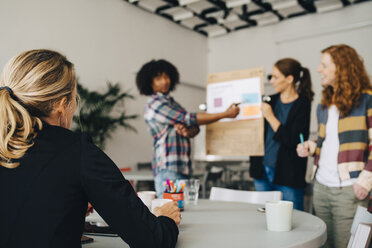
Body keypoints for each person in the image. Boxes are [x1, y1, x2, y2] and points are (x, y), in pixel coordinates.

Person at [0, 49, 180, 248]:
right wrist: (166, 218)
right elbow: (153, 240)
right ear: (61, 105)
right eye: (74, 100)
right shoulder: (78, 152)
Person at [296, 44, 372, 248]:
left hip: (348, 190)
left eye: (324, 65)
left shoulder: (367, 99)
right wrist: (311, 147)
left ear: (341, 67)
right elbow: (326, 142)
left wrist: (365, 181)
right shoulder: (324, 105)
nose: (319, 70)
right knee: (323, 243)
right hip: (321, 186)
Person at [136, 59, 240, 198]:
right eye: (159, 78)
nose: (164, 81)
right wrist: (225, 114)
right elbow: (188, 118)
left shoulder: (173, 103)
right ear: (150, 82)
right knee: (170, 211)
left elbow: (194, 127)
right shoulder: (155, 104)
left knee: (181, 211)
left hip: (182, 167)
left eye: (166, 76)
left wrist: (187, 131)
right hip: (168, 168)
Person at [249, 58, 314, 211]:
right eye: (270, 76)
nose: (271, 81)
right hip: (262, 171)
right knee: (262, 219)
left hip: (288, 175)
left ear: (290, 79)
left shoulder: (303, 104)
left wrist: (270, 117)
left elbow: (293, 140)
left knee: (293, 220)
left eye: (275, 77)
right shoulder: (269, 101)